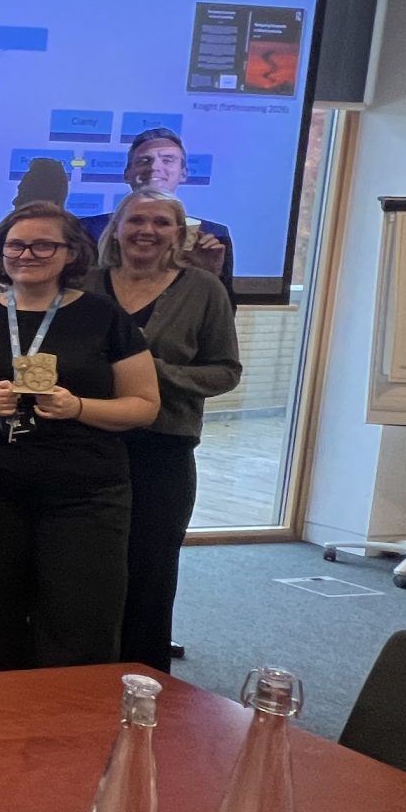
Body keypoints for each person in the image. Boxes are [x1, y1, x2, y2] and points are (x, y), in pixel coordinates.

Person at [0, 201, 160, 672]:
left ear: (71, 252)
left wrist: (78, 407)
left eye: (42, 244)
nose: (26, 254)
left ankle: (69, 731)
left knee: (80, 620)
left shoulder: (105, 318)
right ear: (1, 251)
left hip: (83, 494)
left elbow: (144, 405)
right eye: (15, 244)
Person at [100, 190, 241, 672]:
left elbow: (225, 371)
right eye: (136, 220)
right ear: (116, 228)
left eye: (162, 222)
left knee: (150, 568)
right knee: (85, 566)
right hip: (87, 443)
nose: (147, 230)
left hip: (163, 447)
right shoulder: (83, 284)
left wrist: (153, 372)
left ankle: (141, 679)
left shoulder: (205, 289)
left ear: (179, 235)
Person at [104, 128, 235, 294]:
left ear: (184, 174)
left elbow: (224, 312)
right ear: (126, 174)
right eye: (144, 160)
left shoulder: (214, 235)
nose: (154, 167)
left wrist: (210, 274)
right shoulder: (87, 230)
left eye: (167, 160)